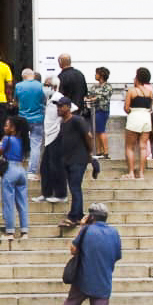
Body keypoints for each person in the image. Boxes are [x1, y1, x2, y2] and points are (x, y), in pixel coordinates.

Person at [52, 98, 93, 228]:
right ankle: (78, 215)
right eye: (57, 106)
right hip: (68, 160)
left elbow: (88, 136)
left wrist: (90, 152)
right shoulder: (63, 123)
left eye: (61, 106)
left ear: (68, 107)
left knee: (75, 187)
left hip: (78, 159)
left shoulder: (77, 120)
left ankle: (74, 216)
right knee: (74, 187)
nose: (58, 109)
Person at [0, 115, 30, 239]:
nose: (4, 127)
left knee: (8, 202)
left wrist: (0, 144)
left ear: (13, 128)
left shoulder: (7, 139)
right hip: (21, 170)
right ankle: (24, 231)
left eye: (7, 125)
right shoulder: (23, 140)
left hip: (10, 169)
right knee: (22, 202)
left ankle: (10, 231)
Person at [123, 68, 153, 180]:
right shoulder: (150, 92)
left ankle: (131, 172)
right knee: (143, 147)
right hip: (146, 117)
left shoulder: (132, 91)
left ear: (137, 78)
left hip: (134, 116)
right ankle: (141, 173)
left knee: (130, 147)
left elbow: (126, 108)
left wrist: (130, 110)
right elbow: (150, 107)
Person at [14, 68, 47, 175]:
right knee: (35, 145)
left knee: (20, 142)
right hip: (38, 118)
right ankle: (32, 170)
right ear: (32, 75)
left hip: (23, 118)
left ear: (23, 76)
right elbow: (45, 101)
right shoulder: (41, 86)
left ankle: (17, 166)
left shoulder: (18, 86)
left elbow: (16, 101)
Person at [88, 66, 115, 160]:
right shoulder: (94, 86)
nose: (95, 75)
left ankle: (106, 152)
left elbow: (102, 96)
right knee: (96, 131)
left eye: (97, 74)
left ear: (101, 75)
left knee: (101, 130)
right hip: (94, 110)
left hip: (102, 110)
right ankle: (99, 151)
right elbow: (89, 94)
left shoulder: (108, 86)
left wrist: (94, 97)